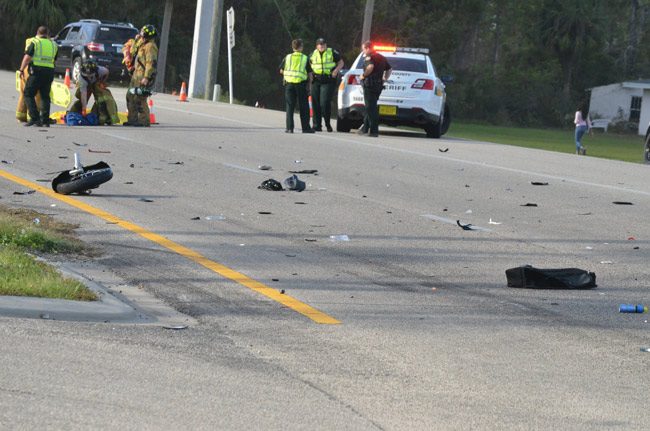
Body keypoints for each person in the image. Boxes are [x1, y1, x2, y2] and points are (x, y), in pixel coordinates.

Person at [19, 26, 58, 127]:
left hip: (37, 72)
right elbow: (55, 59)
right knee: (45, 96)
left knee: (28, 93)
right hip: (49, 72)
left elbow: (27, 57)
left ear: (37, 32)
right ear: (47, 34)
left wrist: (21, 69)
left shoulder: (35, 42)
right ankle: (45, 120)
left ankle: (35, 118)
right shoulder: (54, 44)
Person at [125, 25, 158, 127]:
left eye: (143, 35)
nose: (141, 36)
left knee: (140, 98)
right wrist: (135, 41)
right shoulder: (142, 44)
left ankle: (143, 121)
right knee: (130, 96)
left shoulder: (150, 46)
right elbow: (132, 52)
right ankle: (132, 119)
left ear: (148, 36)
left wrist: (146, 77)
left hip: (143, 76)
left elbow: (151, 63)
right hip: (136, 75)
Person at [69, 59, 119, 125]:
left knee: (103, 96)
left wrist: (102, 82)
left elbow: (107, 72)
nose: (89, 77)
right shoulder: (81, 79)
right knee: (80, 97)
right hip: (85, 86)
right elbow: (83, 96)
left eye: (90, 75)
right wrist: (84, 109)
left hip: (96, 82)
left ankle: (106, 117)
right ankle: (74, 112)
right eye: (86, 75)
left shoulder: (101, 70)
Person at [280, 39, 314, 134]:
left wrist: (288, 74)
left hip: (289, 84)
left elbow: (281, 70)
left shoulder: (288, 57)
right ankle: (305, 128)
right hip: (301, 85)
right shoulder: (305, 58)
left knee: (290, 106)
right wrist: (310, 84)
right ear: (301, 47)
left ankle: (289, 128)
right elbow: (310, 73)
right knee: (304, 107)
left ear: (292, 47)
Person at [309, 38, 344, 132]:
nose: (322, 46)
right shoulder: (313, 54)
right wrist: (310, 74)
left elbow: (341, 62)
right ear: (317, 46)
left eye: (323, 44)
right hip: (316, 80)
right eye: (320, 44)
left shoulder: (332, 52)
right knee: (315, 103)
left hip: (328, 80)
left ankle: (327, 123)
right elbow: (309, 65)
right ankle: (316, 125)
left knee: (324, 103)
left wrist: (336, 71)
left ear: (326, 45)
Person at [358, 41, 392, 137]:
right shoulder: (381, 57)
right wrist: (384, 79)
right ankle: (364, 128)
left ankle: (374, 131)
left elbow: (370, 67)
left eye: (364, 49)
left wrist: (363, 75)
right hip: (378, 85)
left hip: (370, 85)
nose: (363, 51)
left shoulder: (370, 57)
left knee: (370, 108)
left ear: (368, 48)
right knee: (371, 106)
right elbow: (389, 69)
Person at [16, 34, 43, 123]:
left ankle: (20, 115)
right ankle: (32, 116)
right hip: (35, 70)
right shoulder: (41, 43)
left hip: (26, 69)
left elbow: (26, 56)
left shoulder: (29, 41)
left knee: (23, 93)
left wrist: (21, 69)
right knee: (36, 95)